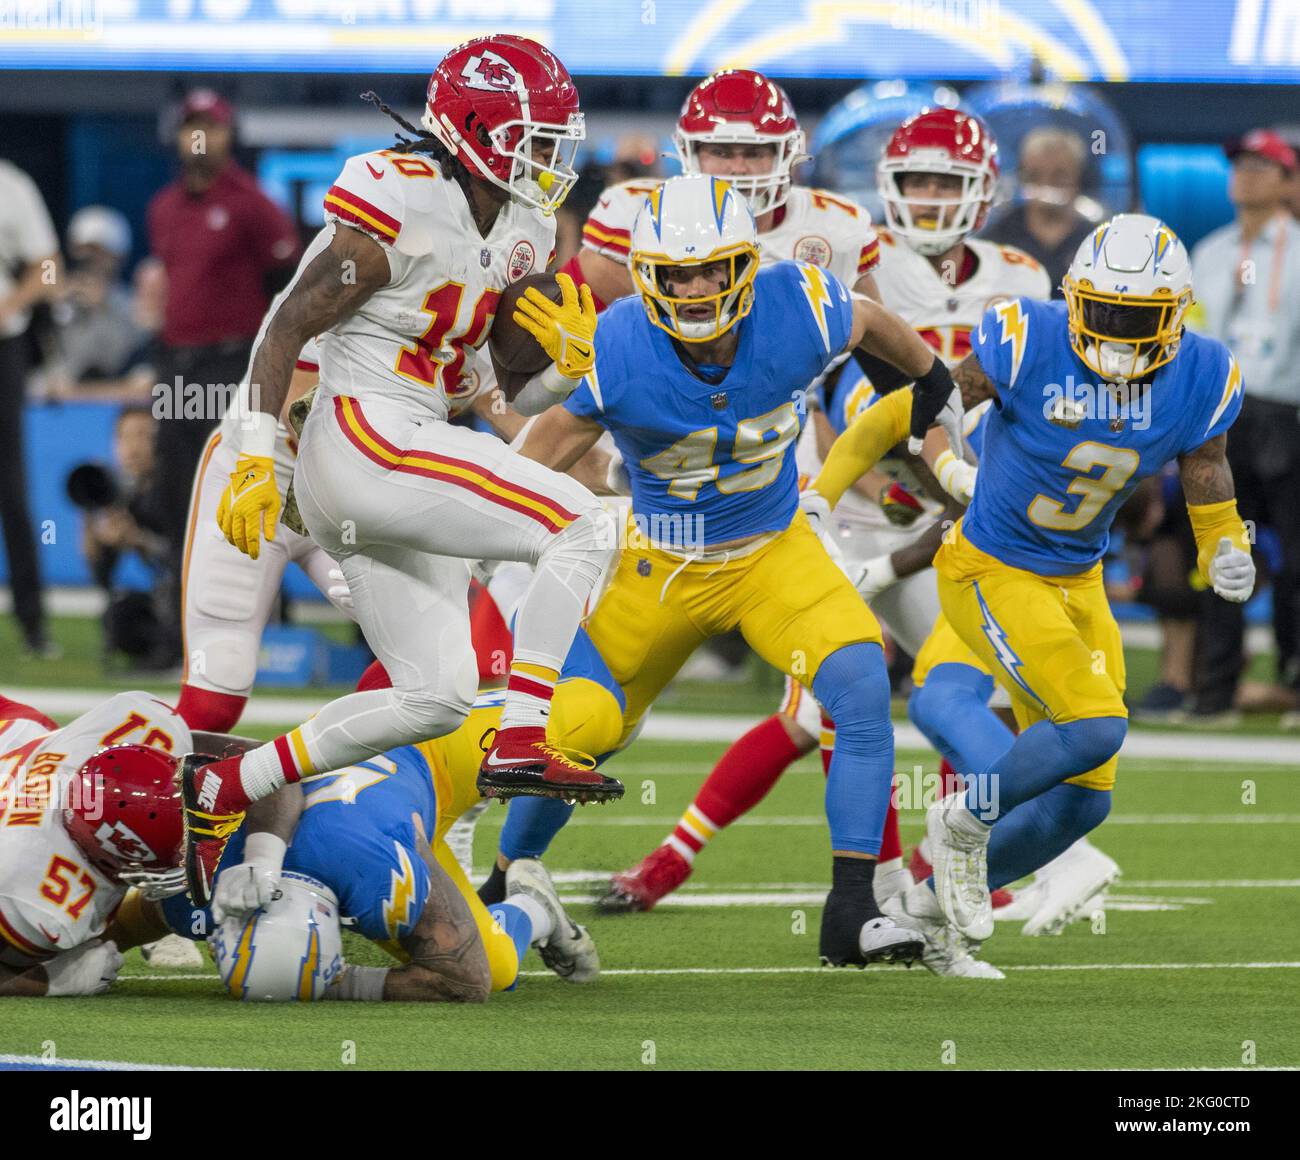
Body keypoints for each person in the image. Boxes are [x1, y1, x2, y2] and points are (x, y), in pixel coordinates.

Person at [178, 35, 622, 908]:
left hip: (404, 445)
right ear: (475, 130)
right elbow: (285, 330)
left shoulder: (523, 228)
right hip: (354, 436)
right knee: (587, 522)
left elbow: (498, 393)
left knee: (439, 693)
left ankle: (226, 788)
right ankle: (526, 731)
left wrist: (566, 367)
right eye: (534, 139)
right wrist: (260, 456)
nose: (550, 162)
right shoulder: (400, 197)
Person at [594, 110, 1049, 937]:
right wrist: (895, 465)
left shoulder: (1016, 276)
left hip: (976, 508)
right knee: (838, 699)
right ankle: (885, 878)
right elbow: (843, 387)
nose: (931, 196)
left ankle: (928, 865)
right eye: (916, 179)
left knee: (972, 691)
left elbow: (1009, 396)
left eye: (949, 181)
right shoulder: (859, 255)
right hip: (851, 509)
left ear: (984, 191)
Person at [503, 173, 967, 967]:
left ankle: (851, 910)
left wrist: (928, 377)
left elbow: (866, 320)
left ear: (743, 267)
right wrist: (479, 524)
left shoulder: (797, 305)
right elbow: (535, 456)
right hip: (662, 561)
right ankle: (506, 878)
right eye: (675, 273)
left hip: (769, 548)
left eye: (711, 269)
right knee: (583, 728)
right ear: (648, 277)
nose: (693, 288)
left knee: (858, 681)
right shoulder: (615, 345)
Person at [916, 214, 1252, 944]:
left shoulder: (1201, 372)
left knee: (1084, 803)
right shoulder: (1026, 336)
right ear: (1073, 300)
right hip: (994, 565)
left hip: (1079, 575)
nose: (1120, 331)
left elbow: (1204, 462)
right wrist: (941, 463)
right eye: (1104, 311)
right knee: (1093, 722)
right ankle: (964, 820)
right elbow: (935, 400)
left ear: (1176, 315)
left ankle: (925, 903)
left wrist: (1224, 539)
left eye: (1139, 317)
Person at [116, 626, 628, 1002]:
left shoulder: (367, 871)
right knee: (495, 967)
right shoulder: (199, 896)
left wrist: (339, 985)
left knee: (600, 712)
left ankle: (523, 592)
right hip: (403, 824)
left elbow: (458, 980)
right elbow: (469, 977)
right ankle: (535, 905)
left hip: (430, 752)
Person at [146, 89, 302, 667]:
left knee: (243, 487)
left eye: (211, 127)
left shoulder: (253, 205)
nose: (201, 138)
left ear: (228, 135)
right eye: (192, 126)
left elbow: (289, 288)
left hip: (232, 363)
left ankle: (265, 630)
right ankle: (179, 629)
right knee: (176, 493)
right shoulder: (164, 206)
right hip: (177, 362)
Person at [1186, 129, 1300, 724]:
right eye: (1241, 165)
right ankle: (1215, 691)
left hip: (1287, 413)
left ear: (1288, 181)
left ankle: (1294, 680)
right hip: (1218, 414)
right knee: (1223, 547)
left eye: (1264, 166)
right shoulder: (1208, 252)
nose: (1247, 176)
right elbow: (1192, 337)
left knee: (1296, 559)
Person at [0, 691, 189, 996]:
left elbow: (243, 758)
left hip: (13, 735)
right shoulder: (26, 896)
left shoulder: (147, 730)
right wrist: (49, 982)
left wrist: (262, 856)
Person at [0, 157, 60, 657]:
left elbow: (47, 265)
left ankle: (33, 622)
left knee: (11, 489)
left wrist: (8, 305)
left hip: (2, 345)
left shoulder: (11, 185)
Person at [45, 206, 152, 401]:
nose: (87, 258)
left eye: (97, 250)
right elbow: (52, 369)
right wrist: (51, 305)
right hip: (62, 403)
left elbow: (121, 361)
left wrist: (105, 306)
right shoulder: (60, 300)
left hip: (116, 402)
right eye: (81, 249)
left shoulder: (130, 304)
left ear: (117, 256)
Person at [981, 127, 1094, 297]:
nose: (1046, 185)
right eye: (1035, 176)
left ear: (1080, 179)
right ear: (1021, 177)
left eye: (1059, 176)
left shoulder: (1096, 243)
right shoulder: (996, 241)